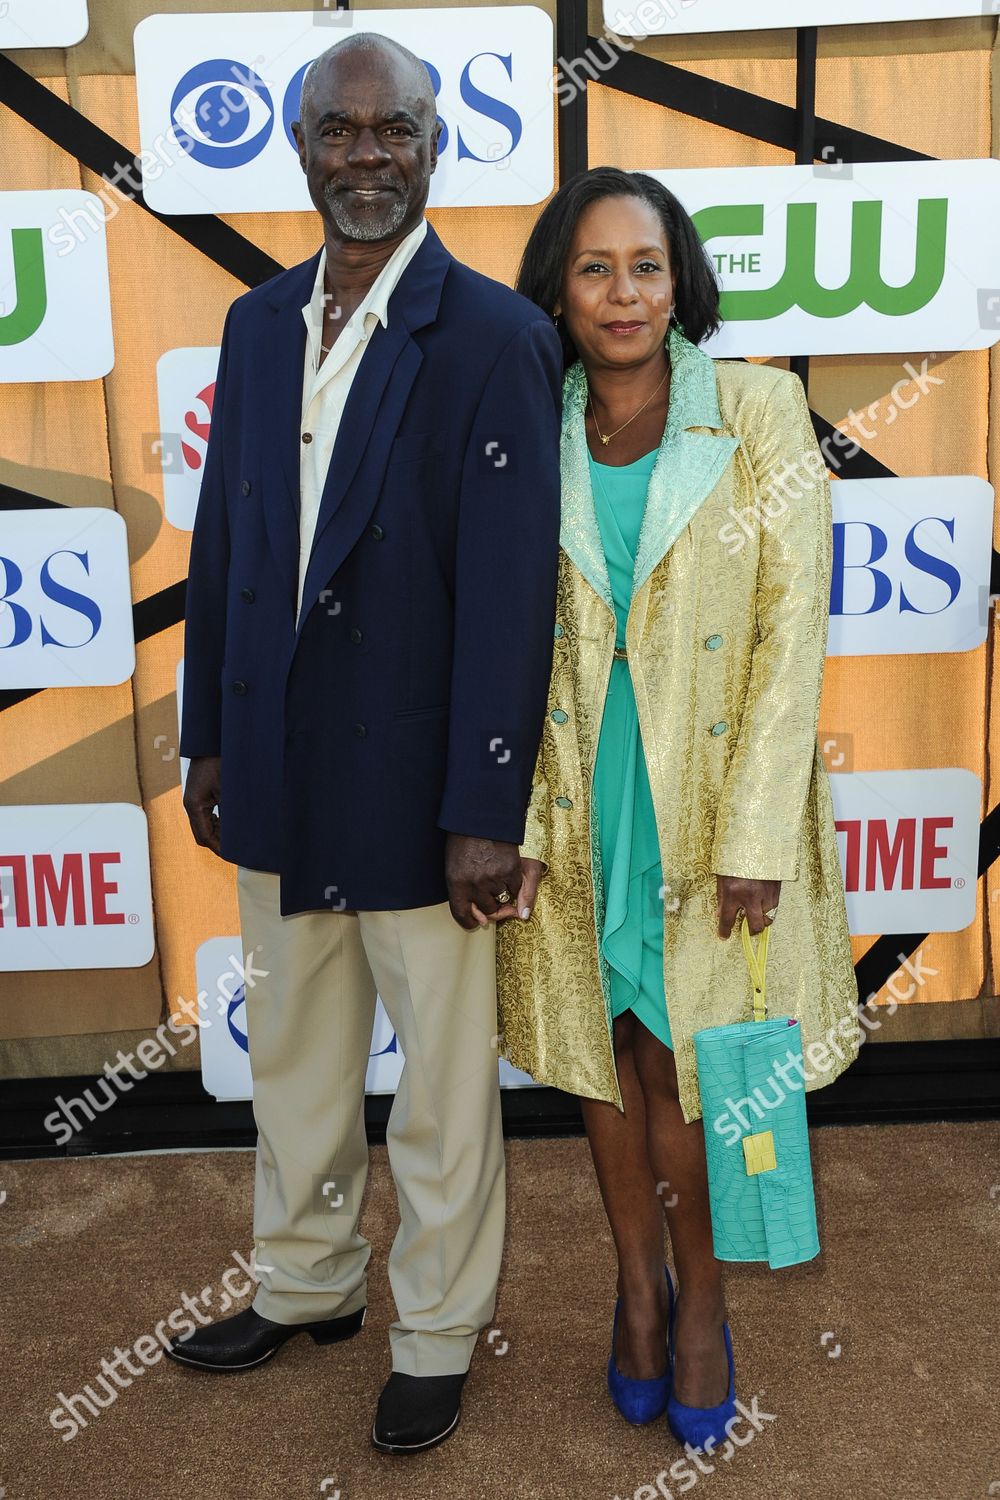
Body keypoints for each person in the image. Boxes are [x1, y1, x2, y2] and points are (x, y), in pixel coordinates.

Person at [171, 34, 562, 1456]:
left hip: (418, 786)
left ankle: (439, 1331)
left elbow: (513, 595)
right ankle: (306, 1283)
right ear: (300, 151)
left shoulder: (498, 337)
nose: (365, 158)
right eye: (338, 133)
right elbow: (227, 543)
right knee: (293, 1053)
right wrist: (211, 736)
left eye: (392, 129)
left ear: (434, 145)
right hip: (279, 766)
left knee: (443, 1091)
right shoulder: (256, 322)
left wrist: (487, 807)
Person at [495, 167, 858, 1452]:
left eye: (644, 266)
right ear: (558, 289)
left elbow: (790, 632)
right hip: (575, 793)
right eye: (593, 269)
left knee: (687, 1067)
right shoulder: (525, 416)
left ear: (679, 280)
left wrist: (756, 834)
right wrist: (508, 819)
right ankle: (634, 1291)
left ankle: (700, 1302)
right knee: (602, 1056)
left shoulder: (756, 408)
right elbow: (495, 632)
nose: (622, 293)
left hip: (707, 803)